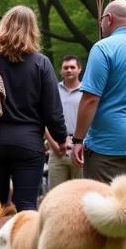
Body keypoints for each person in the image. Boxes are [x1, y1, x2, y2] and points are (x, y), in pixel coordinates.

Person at [0, 5, 67, 211]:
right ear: (33, 30)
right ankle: (26, 244)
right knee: (26, 205)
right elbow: (53, 112)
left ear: (3, 26)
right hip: (29, 143)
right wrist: (61, 139)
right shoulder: (41, 63)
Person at [72, 0, 126, 183]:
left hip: (109, 143)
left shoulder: (103, 47)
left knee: (106, 206)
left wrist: (78, 139)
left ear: (109, 18)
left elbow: (90, 99)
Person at [45, 55, 83, 190]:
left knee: (81, 194)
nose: (69, 70)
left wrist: (81, 143)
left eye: (72, 67)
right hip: (56, 150)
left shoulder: (87, 92)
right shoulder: (52, 91)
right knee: (56, 193)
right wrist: (54, 145)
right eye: (65, 67)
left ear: (79, 69)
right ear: (61, 71)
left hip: (80, 149)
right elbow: (44, 119)